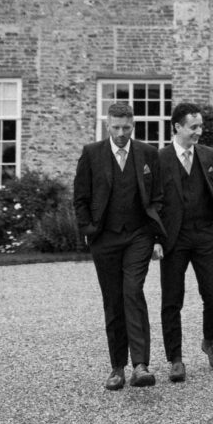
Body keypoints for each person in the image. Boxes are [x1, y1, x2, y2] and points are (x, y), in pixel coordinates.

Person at [73, 100, 165, 390]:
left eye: (126, 127)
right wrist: (89, 230)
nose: (121, 133)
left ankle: (141, 365)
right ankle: (117, 367)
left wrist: (157, 236)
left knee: (133, 292)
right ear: (107, 125)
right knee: (113, 301)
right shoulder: (92, 154)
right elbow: (80, 197)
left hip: (139, 235)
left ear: (133, 125)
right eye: (116, 127)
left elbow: (160, 197)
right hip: (106, 237)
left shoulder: (149, 153)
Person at [157, 101, 213, 382]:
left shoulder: (209, 155)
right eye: (193, 126)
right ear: (177, 127)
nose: (199, 131)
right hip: (173, 238)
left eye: (200, 126)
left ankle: (210, 341)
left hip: (205, 235)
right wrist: (156, 237)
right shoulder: (159, 158)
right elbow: (153, 201)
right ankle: (175, 358)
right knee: (172, 299)